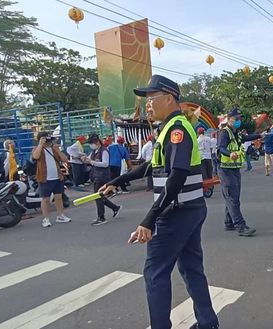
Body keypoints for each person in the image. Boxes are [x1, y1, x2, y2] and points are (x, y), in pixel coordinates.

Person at [99, 75, 219, 329]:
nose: (148, 105)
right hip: (190, 209)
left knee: (155, 273)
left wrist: (149, 220)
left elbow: (176, 177)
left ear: (169, 98)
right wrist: (118, 181)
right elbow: (150, 166)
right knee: (191, 268)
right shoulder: (169, 129)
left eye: (151, 99)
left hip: (176, 213)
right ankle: (208, 323)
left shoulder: (177, 130)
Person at [217, 107, 262, 236]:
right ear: (229, 120)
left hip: (234, 168)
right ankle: (240, 226)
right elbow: (221, 148)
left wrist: (259, 135)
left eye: (239, 119)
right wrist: (230, 153)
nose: (238, 121)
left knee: (232, 196)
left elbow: (246, 138)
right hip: (225, 169)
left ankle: (229, 222)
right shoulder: (224, 132)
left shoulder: (236, 133)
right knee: (232, 198)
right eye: (236, 119)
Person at [31, 132, 72, 228]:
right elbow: (35, 156)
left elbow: (65, 159)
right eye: (47, 140)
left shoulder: (54, 149)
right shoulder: (38, 149)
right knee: (45, 199)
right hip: (45, 178)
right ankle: (45, 219)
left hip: (57, 177)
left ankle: (60, 215)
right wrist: (40, 144)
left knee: (59, 197)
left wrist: (58, 150)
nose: (49, 142)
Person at [82, 133, 121, 226]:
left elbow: (105, 164)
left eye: (91, 143)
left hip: (102, 177)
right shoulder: (95, 151)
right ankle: (115, 208)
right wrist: (85, 159)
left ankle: (101, 217)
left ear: (96, 142)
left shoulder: (104, 151)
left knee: (97, 197)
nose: (91, 145)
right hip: (96, 176)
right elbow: (89, 160)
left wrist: (92, 162)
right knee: (100, 196)